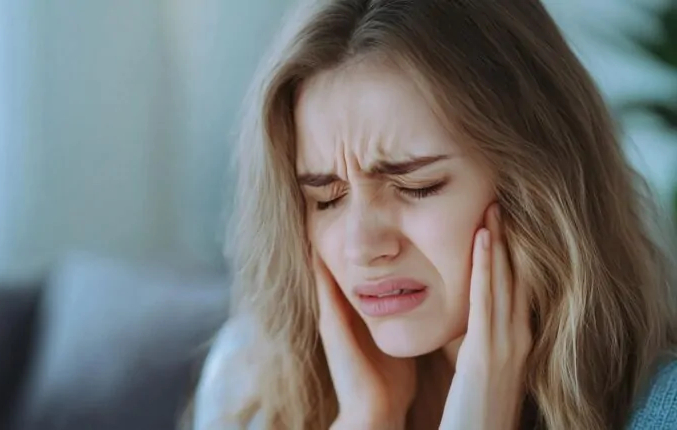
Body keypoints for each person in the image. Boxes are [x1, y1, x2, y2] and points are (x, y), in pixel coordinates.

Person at [190, 0, 677, 428]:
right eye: (327, 199)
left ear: (534, 187)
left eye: (416, 186)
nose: (362, 246)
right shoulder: (251, 380)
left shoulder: (662, 408)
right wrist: (365, 420)